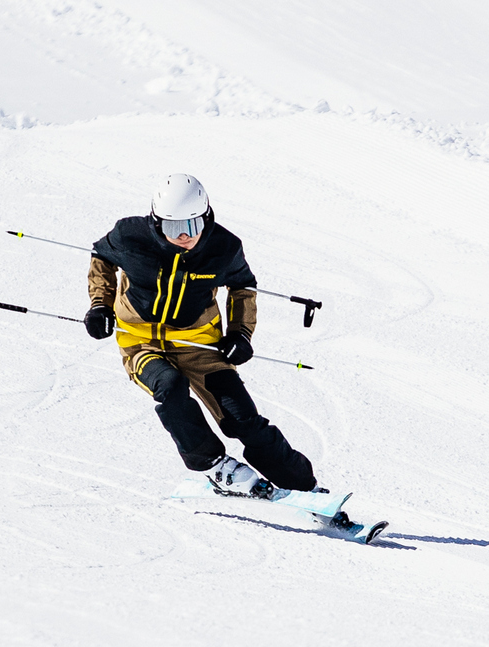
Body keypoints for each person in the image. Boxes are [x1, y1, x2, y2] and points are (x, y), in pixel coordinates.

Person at [84, 173, 319, 497]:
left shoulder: (223, 248)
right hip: (140, 340)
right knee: (170, 385)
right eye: (171, 228)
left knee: (243, 419)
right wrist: (100, 305)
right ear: (155, 223)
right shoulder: (130, 235)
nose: (183, 237)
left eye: (192, 227)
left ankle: (305, 488)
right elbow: (102, 257)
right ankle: (211, 464)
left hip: (199, 343)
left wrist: (240, 334)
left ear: (206, 219)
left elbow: (242, 286)